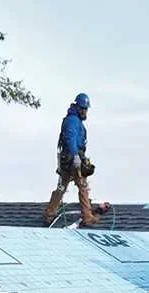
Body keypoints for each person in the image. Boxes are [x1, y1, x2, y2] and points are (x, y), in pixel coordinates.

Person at [44, 93, 103, 226]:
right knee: (83, 186)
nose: (84, 111)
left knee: (61, 187)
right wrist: (76, 156)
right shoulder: (72, 121)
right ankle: (87, 217)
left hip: (68, 159)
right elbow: (70, 138)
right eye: (82, 108)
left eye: (86, 109)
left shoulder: (74, 121)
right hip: (72, 159)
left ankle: (49, 214)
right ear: (77, 107)